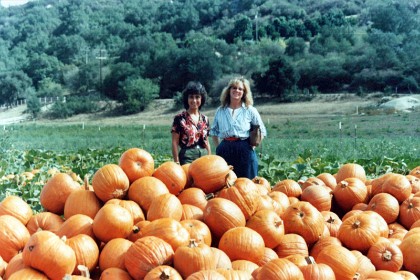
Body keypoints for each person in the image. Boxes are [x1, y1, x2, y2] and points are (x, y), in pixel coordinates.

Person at [209, 76, 267, 179]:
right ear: (229, 90)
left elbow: (262, 130)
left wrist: (252, 146)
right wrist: (219, 147)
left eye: (240, 89)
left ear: (244, 92)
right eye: (234, 88)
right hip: (225, 148)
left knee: (247, 182)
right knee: (225, 182)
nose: (237, 90)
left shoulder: (250, 110)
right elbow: (214, 131)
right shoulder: (221, 110)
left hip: (244, 148)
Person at [171, 81, 211, 165]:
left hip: (203, 156)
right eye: (191, 97)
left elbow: (206, 141)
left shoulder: (205, 119)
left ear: (201, 99)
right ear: (187, 99)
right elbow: (175, 142)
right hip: (187, 156)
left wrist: (210, 158)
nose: (194, 100)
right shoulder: (180, 118)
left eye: (197, 97)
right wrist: (176, 162)